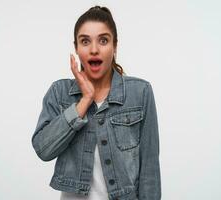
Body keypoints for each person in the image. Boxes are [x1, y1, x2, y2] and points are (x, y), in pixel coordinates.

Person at [31, 5, 161, 200]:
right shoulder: (59, 93)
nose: (94, 50)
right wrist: (84, 102)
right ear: (76, 47)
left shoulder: (140, 92)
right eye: (85, 41)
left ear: (115, 46)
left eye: (103, 40)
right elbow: (43, 150)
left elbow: (149, 169)